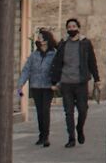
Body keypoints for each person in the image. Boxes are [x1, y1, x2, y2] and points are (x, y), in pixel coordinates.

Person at [55, 18, 100, 148]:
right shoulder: (63, 44)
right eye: (69, 27)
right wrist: (55, 80)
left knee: (83, 109)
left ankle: (79, 128)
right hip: (66, 82)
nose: (72, 29)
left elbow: (92, 61)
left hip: (81, 82)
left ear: (78, 28)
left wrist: (97, 79)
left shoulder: (85, 43)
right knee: (68, 112)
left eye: (74, 26)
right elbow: (58, 62)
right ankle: (71, 138)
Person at [18, 28, 59, 147]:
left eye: (40, 37)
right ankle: (41, 135)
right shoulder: (34, 55)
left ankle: (45, 136)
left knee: (45, 111)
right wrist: (21, 83)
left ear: (46, 40)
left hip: (48, 87)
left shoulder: (54, 54)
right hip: (36, 86)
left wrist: (57, 84)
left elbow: (58, 70)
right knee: (39, 112)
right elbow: (27, 69)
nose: (38, 39)